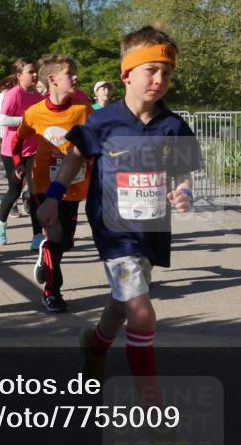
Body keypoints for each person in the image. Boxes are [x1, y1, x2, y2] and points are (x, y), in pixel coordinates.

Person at [38, 26, 202, 386]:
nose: (160, 79)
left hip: (151, 230)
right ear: (126, 74)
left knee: (123, 302)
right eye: (152, 70)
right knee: (141, 312)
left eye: (167, 73)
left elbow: (184, 173)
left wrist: (184, 192)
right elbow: (73, 158)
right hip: (113, 232)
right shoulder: (102, 120)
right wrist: (52, 196)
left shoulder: (173, 126)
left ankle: (96, 344)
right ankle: (153, 416)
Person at [12, 54, 91, 312]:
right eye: (71, 74)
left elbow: (96, 143)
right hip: (44, 187)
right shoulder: (34, 113)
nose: (76, 77)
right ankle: (52, 292)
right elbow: (18, 140)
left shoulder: (82, 110)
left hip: (74, 187)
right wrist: (18, 165)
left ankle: (45, 256)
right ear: (53, 79)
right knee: (54, 239)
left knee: (65, 242)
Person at [0, 58, 45, 248]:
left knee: (34, 192)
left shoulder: (39, 96)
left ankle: (37, 236)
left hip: (33, 150)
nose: (34, 75)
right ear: (19, 76)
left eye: (35, 72)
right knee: (15, 190)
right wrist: (26, 121)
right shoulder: (14, 94)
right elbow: (3, 120)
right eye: (30, 72)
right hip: (12, 150)